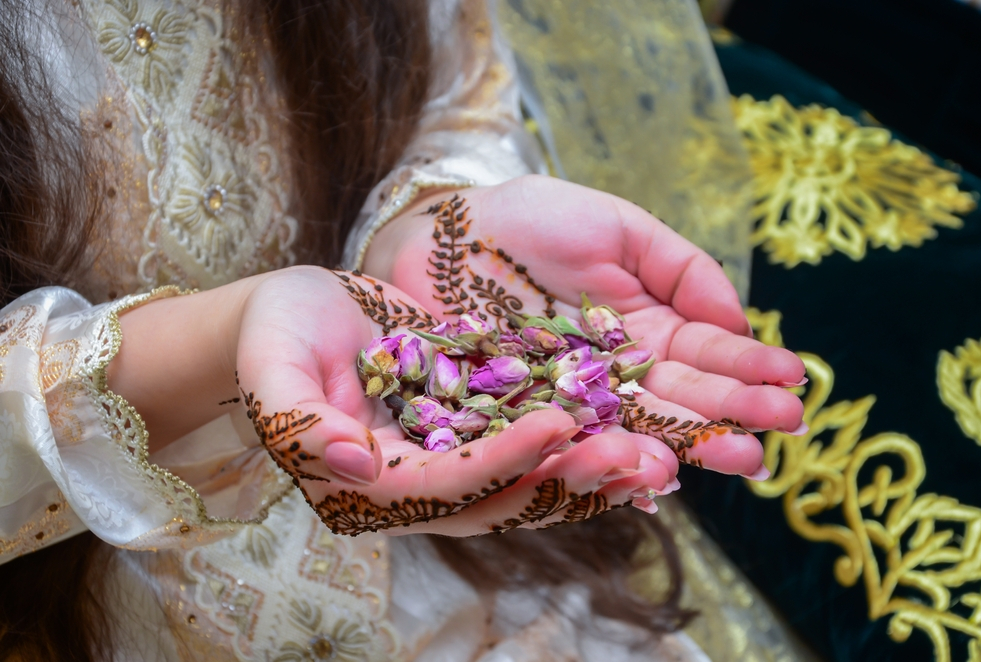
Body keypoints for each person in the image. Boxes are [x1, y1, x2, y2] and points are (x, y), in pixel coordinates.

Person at [0, 0, 806, 659]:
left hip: (447, 547)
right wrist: (222, 340)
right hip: (86, 588)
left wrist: (427, 222)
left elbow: (459, 96)